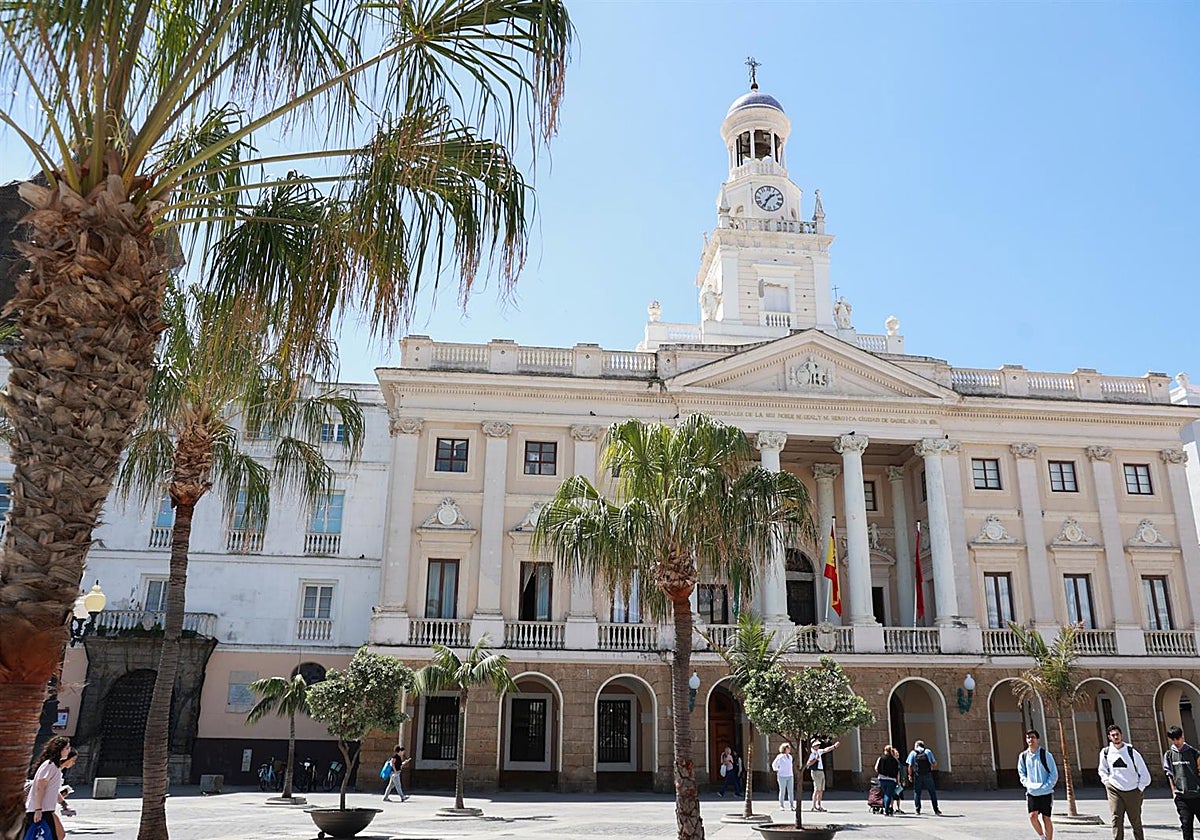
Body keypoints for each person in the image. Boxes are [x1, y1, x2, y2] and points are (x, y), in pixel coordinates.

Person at [1098, 724, 1150, 840]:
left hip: (1132, 790)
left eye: (1117, 734)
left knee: (1135, 821)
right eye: (1113, 735)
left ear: (1122, 735)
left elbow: (1145, 774)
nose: (1116, 737)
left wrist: (1139, 788)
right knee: (1116, 819)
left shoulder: (1131, 752)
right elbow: (1102, 770)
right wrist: (1106, 781)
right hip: (1114, 789)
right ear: (1109, 737)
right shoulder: (1106, 752)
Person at [26, 736, 71, 840]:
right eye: (67, 748)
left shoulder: (55, 767)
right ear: (59, 749)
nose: (69, 751)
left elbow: (52, 790)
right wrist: (38, 810)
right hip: (40, 810)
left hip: (45, 810)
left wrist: (64, 804)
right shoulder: (49, 765)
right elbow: (39, 788)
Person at [1018, 729, 1059, 840]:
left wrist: (1047, 786)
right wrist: (1027, 784)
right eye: (1028, 737)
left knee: (1046, 818)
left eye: (1033, 737)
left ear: (1038, 739)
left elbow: (1053, 773)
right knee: (1032, 816)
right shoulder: (1023, 756)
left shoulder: (1045, 755)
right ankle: (1042, 837)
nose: (1030, 739)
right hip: (1032, 791)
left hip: (1046, 792)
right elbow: (1022, 773)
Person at [1163, 724, 1200, 840]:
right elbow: (1169, 774)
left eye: (1178, 739)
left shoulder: (1194, 753)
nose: (1176, 742)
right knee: (1186, 825)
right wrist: (1173, 792)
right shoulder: (1169, 755)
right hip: (1182, 797)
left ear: (1182, 737)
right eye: (1173, 740)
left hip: (1197, 795)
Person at [906, 738, 942, 816]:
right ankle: (936, 810)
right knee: (932, 792)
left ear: (916, 746)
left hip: (917, 775)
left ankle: (917, 810)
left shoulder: (913, 753)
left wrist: (910, 775)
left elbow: (909, 765)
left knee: (917, 792)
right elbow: (934, 763)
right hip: (927, 774)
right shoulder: (928, 751)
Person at [807, 738, 840, 812]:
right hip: (816, 772)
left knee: (821, 790)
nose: (818, 746)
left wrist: (834, 746)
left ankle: (819, 805)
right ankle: (813, 805)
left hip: (821, 771)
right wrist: (815, 759)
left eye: (818, 745)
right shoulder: (812, 753)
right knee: (817, 789)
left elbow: (826, 750)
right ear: (813, 746)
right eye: (816, 745)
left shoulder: (818, 751)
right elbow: (808, 763)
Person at [874, 744, 901, 816]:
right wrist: (898, 781)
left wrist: (881, 772)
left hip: (882, 779)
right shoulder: (894, 760)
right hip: (892, 780)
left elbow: (876, 768)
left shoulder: (881, 758)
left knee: (885, 794)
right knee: (888, 795)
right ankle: (886, 810)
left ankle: (885, 808)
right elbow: (897, 771)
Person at [772, 743, 795, 811]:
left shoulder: (790, 757)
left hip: (790, 775)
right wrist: (777, 770)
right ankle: (781, 805)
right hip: (782, 776)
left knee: (791, 791)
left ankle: (792, 805)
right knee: (782, 791)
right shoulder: (780, 756)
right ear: (784, 749)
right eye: (788, 748)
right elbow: (774, 764)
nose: (789, 749)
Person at [888, 746, 906, 814]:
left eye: (898, 753)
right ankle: (891, 807)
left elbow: (902, 772)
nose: (897, 754)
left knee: (898, 796)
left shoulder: (899, 762)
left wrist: (903, 780)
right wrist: (898, 782)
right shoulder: (894, 763)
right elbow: (897, 773)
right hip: (895, 781)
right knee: (893, 795)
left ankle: (898, 808)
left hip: (899, 781)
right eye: (896, 753)